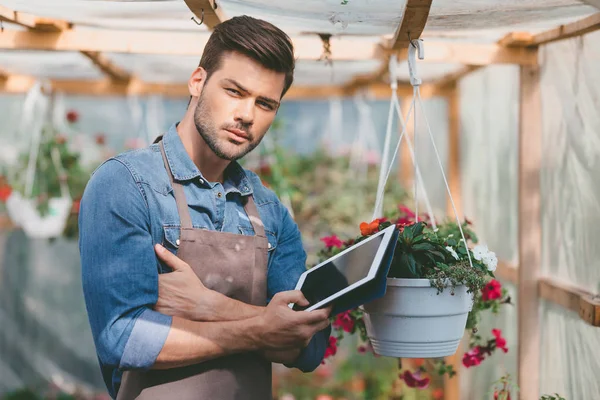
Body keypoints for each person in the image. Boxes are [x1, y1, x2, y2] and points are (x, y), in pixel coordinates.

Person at [79, 15, 332, 400]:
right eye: (234, 91)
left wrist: (208, 305)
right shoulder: (127, 184)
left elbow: (309, 343)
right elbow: (123, 336)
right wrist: (261, 327)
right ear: (198, 81)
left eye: (265, 103)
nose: (247, 114)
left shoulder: (269, 210)